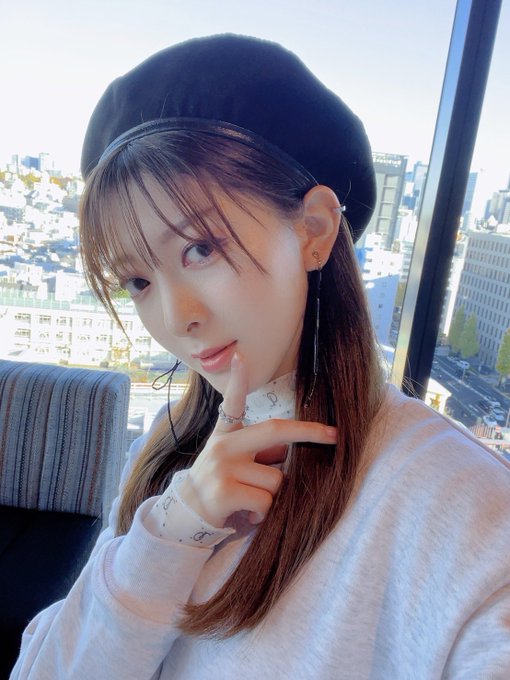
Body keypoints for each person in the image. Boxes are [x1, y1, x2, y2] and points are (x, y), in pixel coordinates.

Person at [11, 34, 510, 679]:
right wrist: (170, 534)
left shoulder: (463, 504)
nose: (175, 318)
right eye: (137, 280)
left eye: (201, 249)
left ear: (314, 230)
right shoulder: (169, 448)